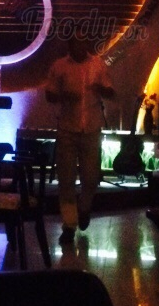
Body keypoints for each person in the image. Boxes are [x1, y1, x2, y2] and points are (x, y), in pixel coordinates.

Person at [45, 31, 115, 244]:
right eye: (77, 42)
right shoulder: (59, 66)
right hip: (67, 128)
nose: (80, 45)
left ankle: (84, 207)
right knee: (66, 179)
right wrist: (64, 95)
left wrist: (101, 89)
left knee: (91, 177)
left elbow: (111, 92)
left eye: (84, 41)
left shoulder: (98, 65)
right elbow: (49, 94)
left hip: (91, 128)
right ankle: (69, 225)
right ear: (70, 44)